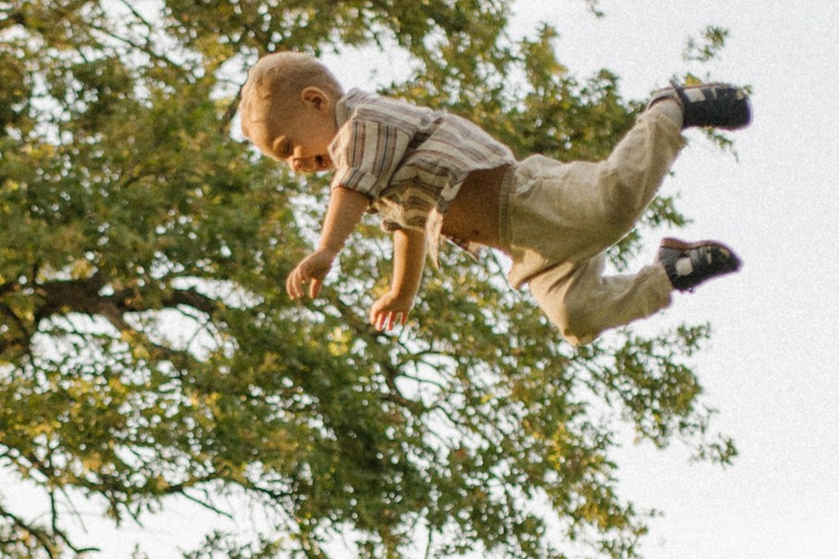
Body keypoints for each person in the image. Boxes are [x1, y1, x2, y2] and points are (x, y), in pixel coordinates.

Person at [237, 51, 748, 341]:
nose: (295, 163)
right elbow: (407, 228)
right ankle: (670, 272)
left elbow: (349, 185)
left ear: (315, 101)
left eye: (288, 147)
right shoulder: (375, 176)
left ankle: (669, 108)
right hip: (526, 248)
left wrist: (327, 250)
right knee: (576, 318)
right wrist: (401, 292)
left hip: (527, 198)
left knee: (611, 206)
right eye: (284, 162)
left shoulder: (363, 124)